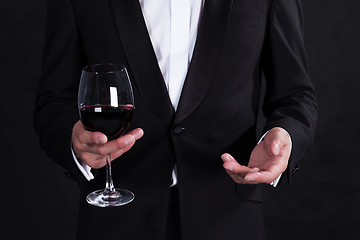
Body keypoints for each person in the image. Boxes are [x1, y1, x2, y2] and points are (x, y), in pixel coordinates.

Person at [34, 0, 317, 239]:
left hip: (229, 220)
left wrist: (284, 135)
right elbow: (53, 102)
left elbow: (295, 95)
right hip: (115, 222)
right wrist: (73, 141)